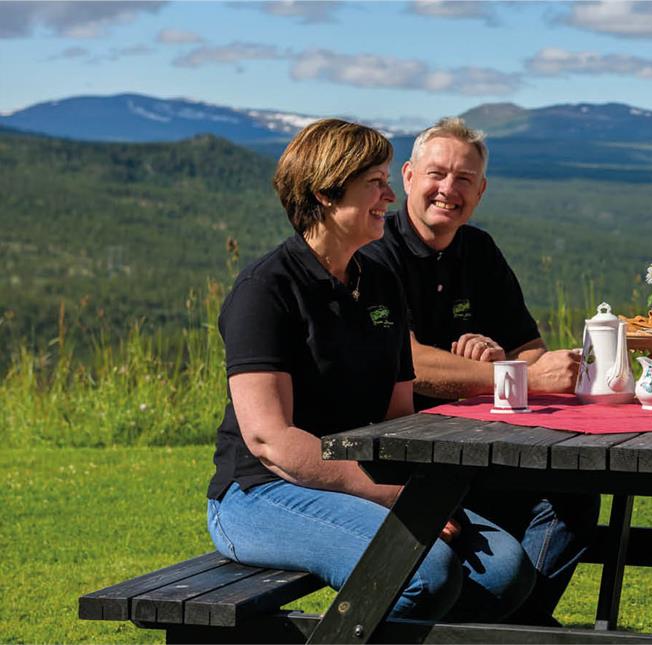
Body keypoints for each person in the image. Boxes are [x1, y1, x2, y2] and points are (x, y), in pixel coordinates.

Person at [206, 119, 534, 622]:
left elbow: (398, 416)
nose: (389, 196)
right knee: (424, 573)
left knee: (504, 571)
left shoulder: (379, 281)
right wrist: (391, 496)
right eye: (375, 184)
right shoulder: (265, 291)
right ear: (325, 194)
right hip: (262, 493)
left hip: (360, 480)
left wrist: (425, 492)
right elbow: (271, 441)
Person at [363, 116, 598, 626]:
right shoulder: (375, 253)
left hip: (480, 446)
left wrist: (500, 362)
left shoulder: (480, 252)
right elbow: (404, 362)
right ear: (407, 176)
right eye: (437, 174)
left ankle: (509, 629)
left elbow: (531, 352)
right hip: (405, 457)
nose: (448, 189)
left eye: (464, 179)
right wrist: (509, 377)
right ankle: (509, 629)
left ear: (481, 190)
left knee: (576, 499)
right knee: (528, 534)